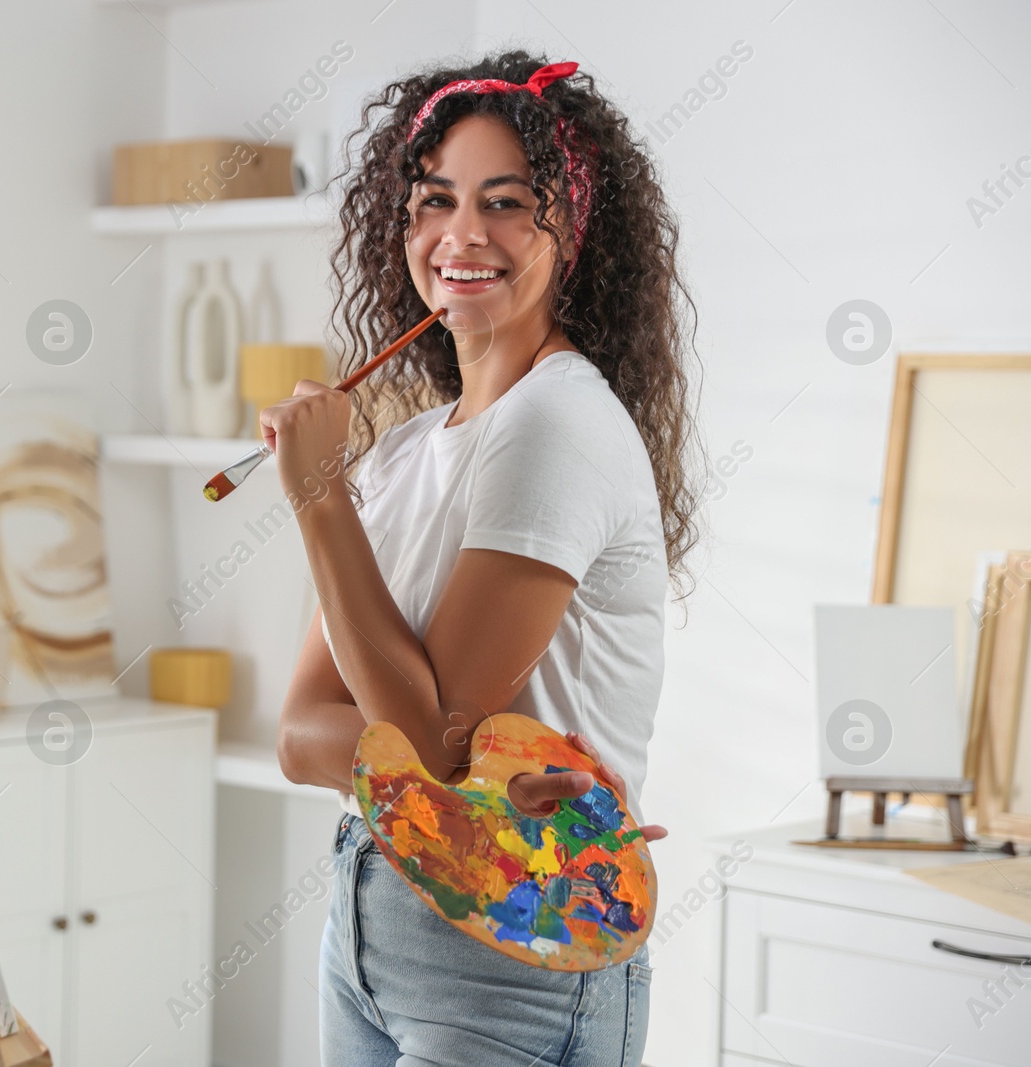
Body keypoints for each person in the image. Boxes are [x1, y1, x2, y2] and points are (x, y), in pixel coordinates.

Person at [266, 51, 702, 1067]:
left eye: (506, 203)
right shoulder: (410, 449)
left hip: (518, 941)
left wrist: (317, 496)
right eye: (434, 200)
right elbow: (296, 733)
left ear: (573, 232)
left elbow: (429, 731)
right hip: (373, 920)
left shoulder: (554, 426)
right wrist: (464, 780)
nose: (461, 235)